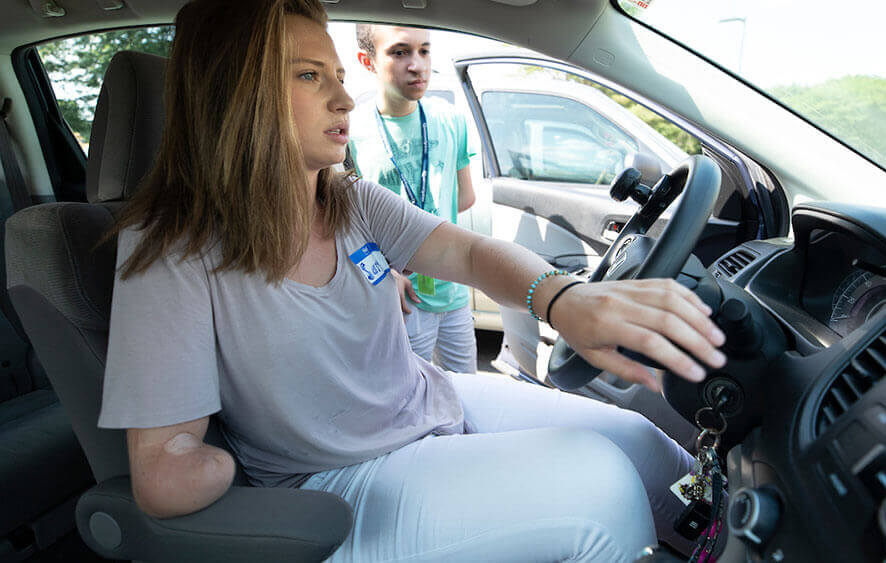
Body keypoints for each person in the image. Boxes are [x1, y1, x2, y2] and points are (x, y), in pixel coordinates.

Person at [97, 0, 729, 561]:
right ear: (231, 95)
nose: (344, 100)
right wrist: (220, 462)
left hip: (431, 401)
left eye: (340, 77)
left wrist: (563, 300)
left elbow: (474, 254)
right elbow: (161, 472)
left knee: (643, 447)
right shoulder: (169, 249)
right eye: (309, 76)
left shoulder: (351, 201)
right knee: (599, 488)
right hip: (336, 481)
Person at [349, 23, 479, 374]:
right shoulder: (352, 133)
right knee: (413, 404)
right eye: (399, 51)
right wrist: (383, 272)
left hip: (452, 292)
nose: (417, 64)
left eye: (424, 50)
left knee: (467, 395)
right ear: (368, 61)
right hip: (400, 298)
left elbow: (466, 197)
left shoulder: (451, 119)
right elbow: (343, 229)